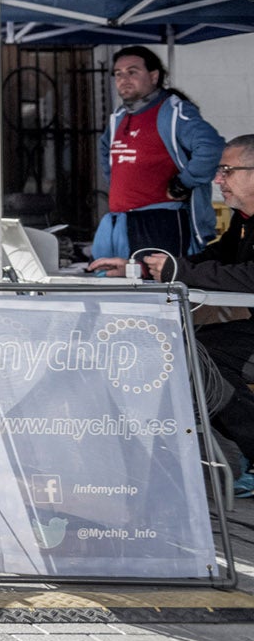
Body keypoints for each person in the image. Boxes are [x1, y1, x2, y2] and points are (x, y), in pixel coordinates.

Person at [94, 133, 254, 492]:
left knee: (198, 356)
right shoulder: (243, 220)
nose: (218, 180)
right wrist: (140, 266)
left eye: (227, 171)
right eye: (218, 171)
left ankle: (243, 452)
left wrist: (177, 271)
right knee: (185, 351)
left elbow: (248, 276)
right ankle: (234, 454)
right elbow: (210, 260)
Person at [90, 46, 223, 260]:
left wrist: (184, 182)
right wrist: (117, 183)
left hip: (162, 222)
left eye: (132, 72)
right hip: (121, 222)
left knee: (160, 289)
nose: (124, 79)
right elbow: (105, 148)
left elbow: (211, 147)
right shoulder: (119, 116)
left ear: (154, 76)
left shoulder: (174, 111)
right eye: (118, 74)